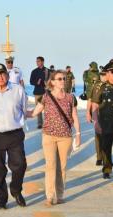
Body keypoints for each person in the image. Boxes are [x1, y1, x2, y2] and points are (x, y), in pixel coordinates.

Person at [27, 70, 81, 207]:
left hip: (65, 137)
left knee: (62, 167)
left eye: (64, 78)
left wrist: (78, 134)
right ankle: (50, 196)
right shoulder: (46, 97)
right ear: (52, 82)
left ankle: (60, 195)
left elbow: (74, 117)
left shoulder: (70, 97)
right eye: (59, 79)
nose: (62, 81)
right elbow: (34, 113)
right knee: (50, 165)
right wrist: (18, 110)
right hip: (49, 136)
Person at [0, 63, 27, 210]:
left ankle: (16, 190)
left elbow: (23, 109)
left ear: (7, 75)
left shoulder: (18, 90)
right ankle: (1, 199)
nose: (0, 77)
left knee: (20, 165)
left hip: (14, 134)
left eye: (3, 74)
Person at [86, 67, 108, 166]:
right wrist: (88, 112)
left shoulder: (111, 85)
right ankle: (99, 157)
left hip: (109, 114)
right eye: (101, 75)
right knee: (98, 136)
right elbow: (90, 99)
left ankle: (106, 157)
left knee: (107, 136)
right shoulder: (96, 85)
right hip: (97, 113)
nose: (103, 76)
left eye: (104, 74)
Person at [30, 56, 51, 129]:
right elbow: (31, 82)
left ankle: (48, 123)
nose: (37, 62)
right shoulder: (34, 71)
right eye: (36, 61)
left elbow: (52, 81)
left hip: (47, 92)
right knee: (38, 109)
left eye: (38, 61)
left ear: (42, 62)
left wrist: (47, 83)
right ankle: (39, 123)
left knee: (47, 109)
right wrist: (37, 82)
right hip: (38, 92)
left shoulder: (48, 71)